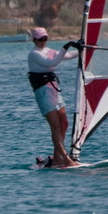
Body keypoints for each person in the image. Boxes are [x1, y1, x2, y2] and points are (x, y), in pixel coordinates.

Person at [27, 27, 82, 168]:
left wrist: (84, 48)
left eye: (45, 38)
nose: (42, 42)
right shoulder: (34, 54)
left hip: (53, 89)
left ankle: (57, 159)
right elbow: (52, 63)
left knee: (64, 123)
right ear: (34, 40)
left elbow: (67, 56)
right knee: (56, 127)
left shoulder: (48, 51)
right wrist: (66, 46)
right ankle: (66, 159)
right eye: (40, 39)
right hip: (43, 91)